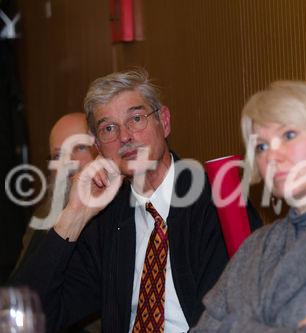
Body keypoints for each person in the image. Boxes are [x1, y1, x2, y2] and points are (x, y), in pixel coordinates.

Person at [15, 69, 232, 332]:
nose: (125, 136)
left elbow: (233, 317)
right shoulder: (107, 220)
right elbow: (29, 316)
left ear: (163, 121)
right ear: (99, 146)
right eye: (109, 128)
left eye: (136, 119)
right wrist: (74, 215)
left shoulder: (216, 201)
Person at [193, 81, 306, 332]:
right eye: (261, 146)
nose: (272, 156)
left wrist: (235, 325)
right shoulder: (257, 245)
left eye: (289, 135)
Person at [9, 112, 97, 281]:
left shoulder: (122, 213)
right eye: (58, 155)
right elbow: (22, 284)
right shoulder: (44, 216)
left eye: (79, 147)